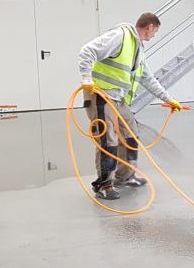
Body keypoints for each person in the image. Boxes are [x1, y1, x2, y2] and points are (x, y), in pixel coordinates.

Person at [78, 12, 184, 200]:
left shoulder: (138, 49)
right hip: (101, 95)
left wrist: (168, 99)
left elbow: (147, 78)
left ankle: (124, 176)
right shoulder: (120, 36)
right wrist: (86, 78)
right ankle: (104, 184)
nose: (154, 36)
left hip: (119, 100)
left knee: (131, 135)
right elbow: (87, 50)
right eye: (155, 32)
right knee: (108, 140)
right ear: (150, 26)